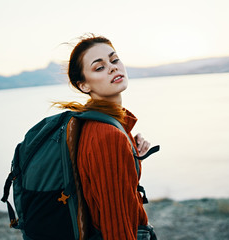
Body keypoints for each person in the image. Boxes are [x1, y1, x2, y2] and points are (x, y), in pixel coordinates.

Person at [55, 34, 157, 240]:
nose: (112, 67)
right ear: (84, 85)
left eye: (114, 59)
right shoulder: (107, 135)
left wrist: (131, 153)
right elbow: (116, 225)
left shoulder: (99, 124)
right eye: (99, 67)